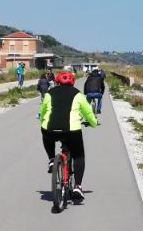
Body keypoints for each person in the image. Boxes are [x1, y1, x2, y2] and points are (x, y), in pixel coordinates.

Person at [39, 70, 99, 201]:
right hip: (71, 131)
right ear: (73, 82)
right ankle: (78, 186)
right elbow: (88, 112)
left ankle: (51, 160)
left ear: (57, 82)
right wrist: (94, 123)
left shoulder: (49, 94)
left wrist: (42, 120)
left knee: (46, 136)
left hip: (50, 129)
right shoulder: (78, 95)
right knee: (78, 155)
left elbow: (43, 111)